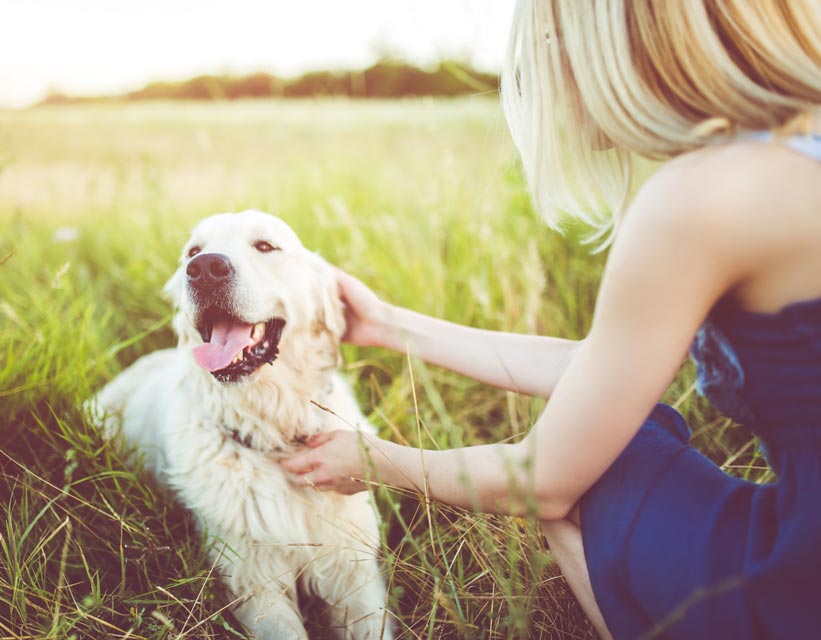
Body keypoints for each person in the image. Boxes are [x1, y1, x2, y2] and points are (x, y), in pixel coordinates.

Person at [280, 1, 821, 637]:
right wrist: (389, 325)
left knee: (603, 468)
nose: (540, 79)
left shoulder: (702, 197)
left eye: (545, 42)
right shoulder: (792, 151)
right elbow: (597, 368)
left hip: (802, 586)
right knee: (610, 431)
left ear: (609, 42)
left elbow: (546, 481)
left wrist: (377, 460)